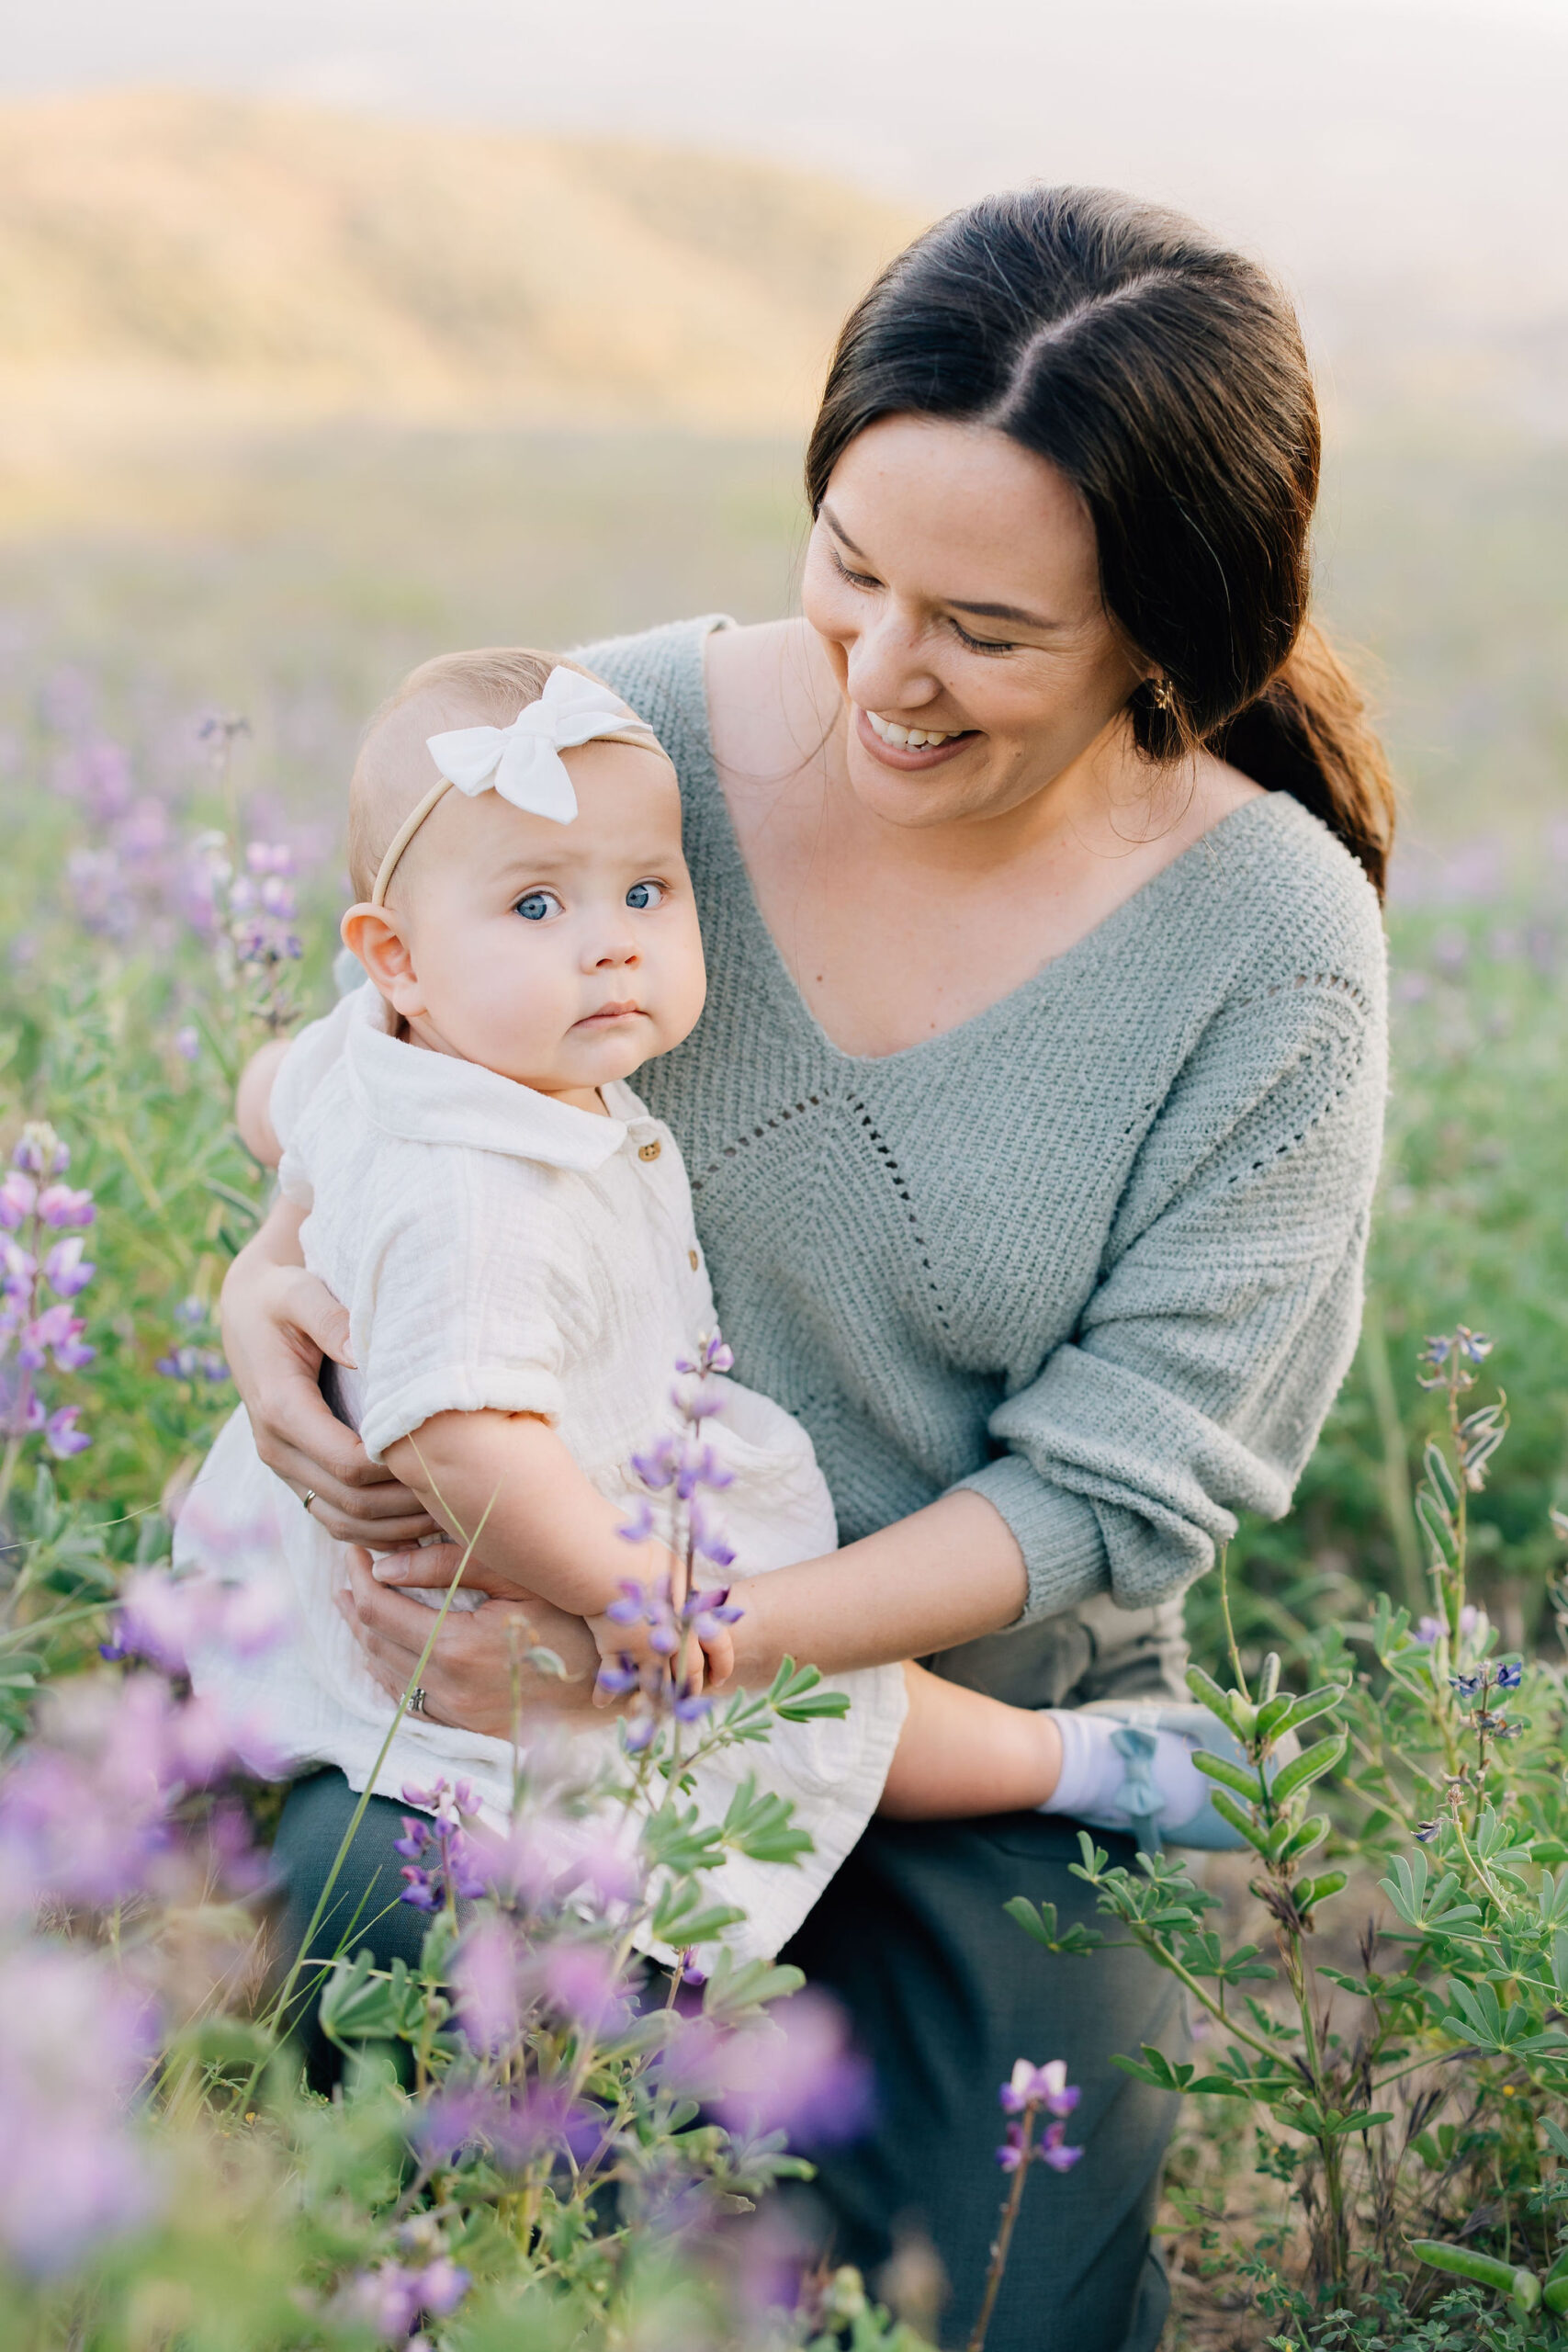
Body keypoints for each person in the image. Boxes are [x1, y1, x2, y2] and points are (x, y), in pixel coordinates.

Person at [221, 186, 1392, 2349]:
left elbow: (1121, 1483)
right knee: (437, 2047)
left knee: (976, 2282)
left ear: (1169, 631)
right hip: (517, 1672)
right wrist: (263, 1301)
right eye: (845, 568)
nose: (876, 672)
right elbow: (403, 1084)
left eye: (984, 626)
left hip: (955, 1707)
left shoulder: (1269, 945)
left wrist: (709, 1644)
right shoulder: (625, 730)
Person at [191, 643, 1244, 1960]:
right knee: (816, 1721)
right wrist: (637, 1603)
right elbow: (459, 1442)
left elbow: (296, 1104)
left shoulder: (412, 1052)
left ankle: (1071, 1762)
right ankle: (1079, 1769)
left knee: (825, 1688)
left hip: (569, 1526)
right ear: (393, 961)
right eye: (534, 909)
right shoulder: (476, 1193)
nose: (610, 946)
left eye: (645, 891)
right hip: (514, 1564)